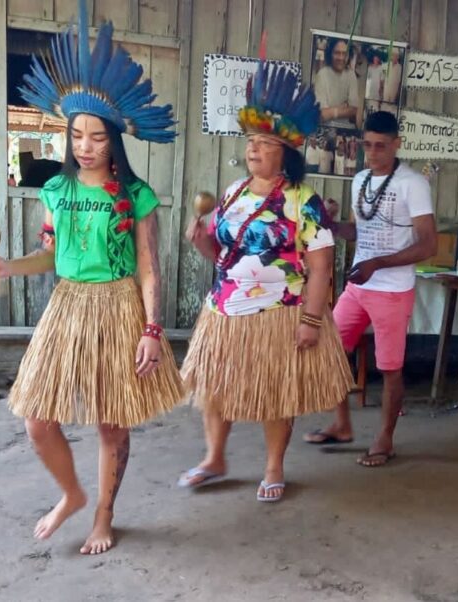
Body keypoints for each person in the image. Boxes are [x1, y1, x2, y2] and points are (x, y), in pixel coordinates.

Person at [0, 6, 183, 555]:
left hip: (120, 306)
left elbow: (149, 266)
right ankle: (70, 493)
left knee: (111, 426)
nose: (85, 146)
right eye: (77, 135)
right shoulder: (55, 191)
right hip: (67, 307)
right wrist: (10, 267)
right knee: (36, 419)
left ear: (114, 139)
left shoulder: (137, 195)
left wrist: (152, 328)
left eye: (97, 137)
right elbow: (50, 254)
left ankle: (103, 514)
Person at [178, 61, 354, 502]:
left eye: (265, 144)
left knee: (274, 393)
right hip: (225, 308)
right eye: (251, 142)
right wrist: (200, 239)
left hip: (280, 312)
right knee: (216, 387)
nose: (254, 149)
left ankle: (274, 467)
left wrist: (311, 321)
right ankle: (214, 457)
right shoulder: (233, 193)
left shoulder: (303, 201)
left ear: (286, 153)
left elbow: (321, 267)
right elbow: (220, 255)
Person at [303, 111, 437, 467]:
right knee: (330, 351)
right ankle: (342, 425)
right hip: (360, 285)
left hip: (393, 289)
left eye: (381, 146)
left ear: (397, 144)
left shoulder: (413, 184)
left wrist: (378, 264)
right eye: (367, 146)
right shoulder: (360, 179)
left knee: (390, 368)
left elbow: (428, 246)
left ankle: (385, 439)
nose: (373, 153)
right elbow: (360, 230)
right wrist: (330, 224)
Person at [314, 39, 361, 128]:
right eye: (337, 53)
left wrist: (331, 112)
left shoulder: (351, 75)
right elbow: (322, 115)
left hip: (346, 130)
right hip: (325, 128)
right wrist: (344, 107)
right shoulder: (322, 74)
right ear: (330, 54)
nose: (341, 57)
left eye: (344, 53)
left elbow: (354, 110)